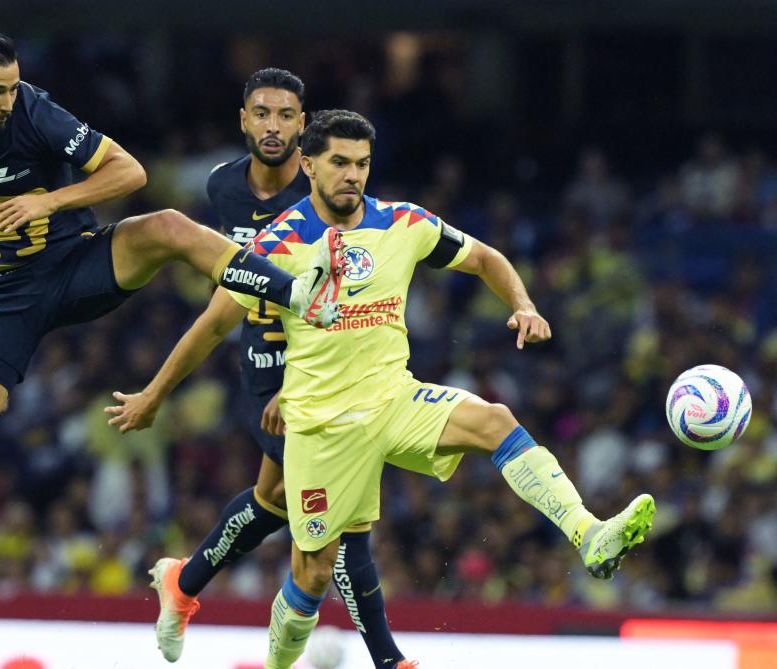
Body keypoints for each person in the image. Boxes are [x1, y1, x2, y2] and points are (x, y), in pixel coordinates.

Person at [108, 110, 656, 669]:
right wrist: (154, 394)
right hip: (323, 430)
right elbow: (215, 324)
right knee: (314, 573)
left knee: (495, 420)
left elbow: (486, 258)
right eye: (340, 163)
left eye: (362, 164)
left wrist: (523, 304)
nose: (353, 175)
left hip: (396, 399)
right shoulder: (279, 243)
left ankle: (589, 534)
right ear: (309, 165)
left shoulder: (403, 222)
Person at [0, 28, 345, 664]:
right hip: (1, 298)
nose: (7, 100)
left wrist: (48, 200)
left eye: (12, 86)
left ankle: (295, 293)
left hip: (78, 264)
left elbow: (129, 171)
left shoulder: (36, 113)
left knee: (167, 225)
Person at [108, 69, 410, 668]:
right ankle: (388, 658)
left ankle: (184, 583)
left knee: (275, 500)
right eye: (262, 114)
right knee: (337, 519)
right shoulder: (224, 188)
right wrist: (156, 392)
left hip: (323, 365)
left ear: (305, 127)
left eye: (286, 116)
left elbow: (353, 300)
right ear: (243, 120)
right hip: (265, 365)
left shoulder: (329, 189)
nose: (273, 127)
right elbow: (222, 306)